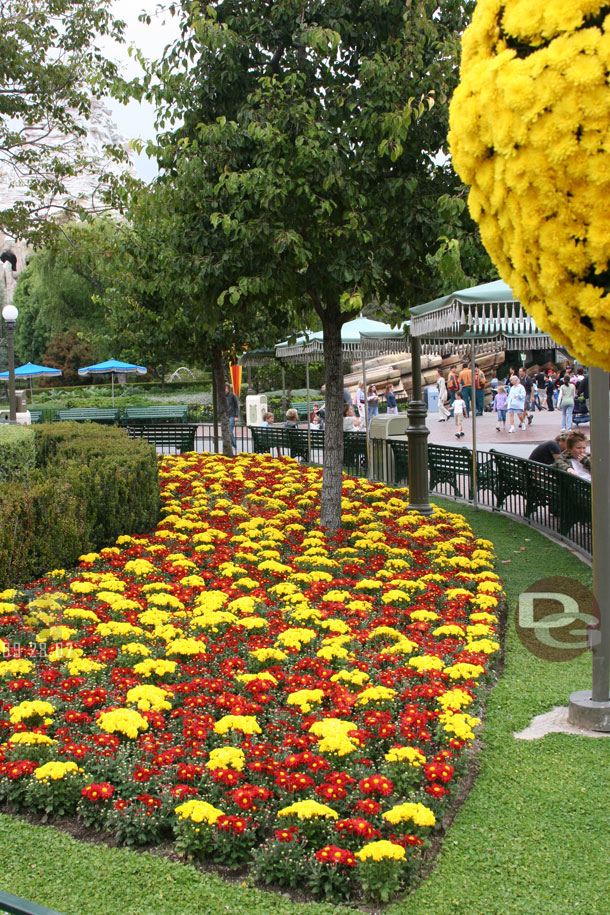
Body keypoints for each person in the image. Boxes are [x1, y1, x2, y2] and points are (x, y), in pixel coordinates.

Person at [225, 382, 240, 449]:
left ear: (228, 388)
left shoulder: (232, 396)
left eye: (225, 388)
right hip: (225, 416)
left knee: (230, 431)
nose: (224, 389)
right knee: (227, 431)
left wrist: (236, 416)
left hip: (231, 415)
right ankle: (231, 444)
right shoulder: (222, 397)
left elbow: (237, 406)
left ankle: (234, 444)